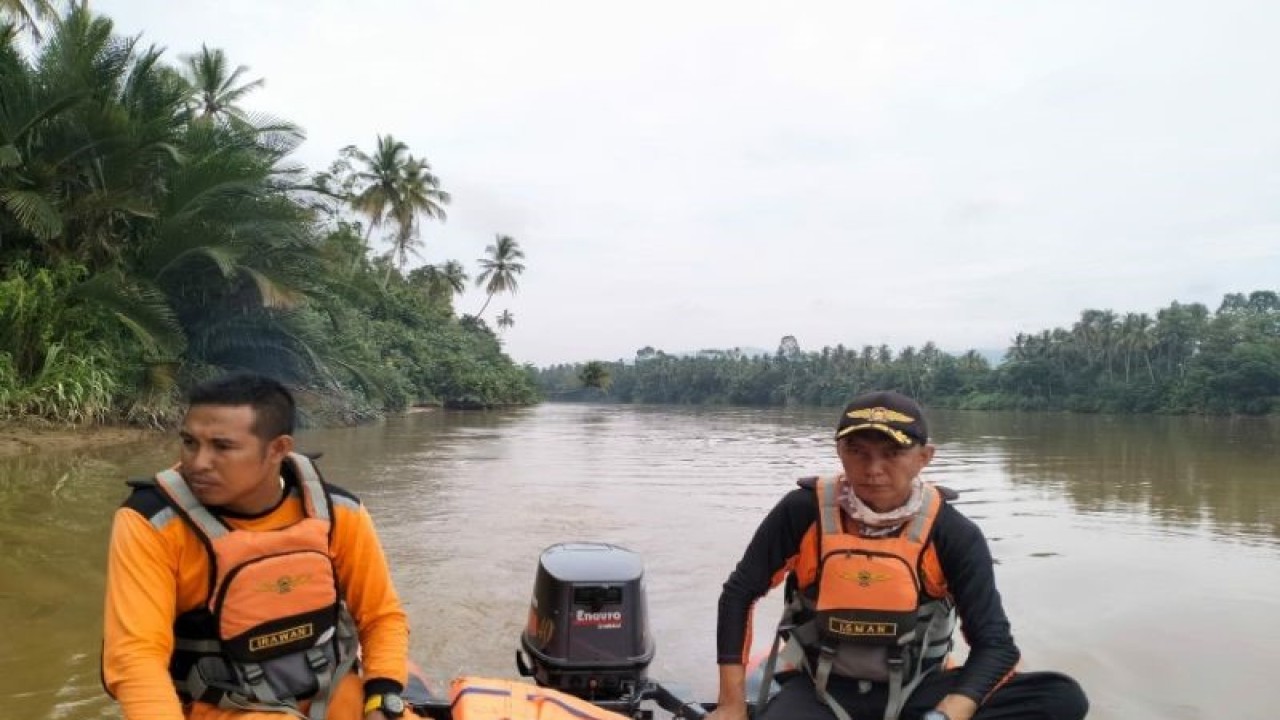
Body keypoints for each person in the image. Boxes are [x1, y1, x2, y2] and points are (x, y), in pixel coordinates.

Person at [707, 390, 1088, 720]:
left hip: (920, 686)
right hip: (820, 689)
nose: (873, 469)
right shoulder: (802, 512)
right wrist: (731, 703)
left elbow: (996, 645)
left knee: (1061, 697)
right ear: (839, 451)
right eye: (857, 452)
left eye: (892, 453)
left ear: (925, 457)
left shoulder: (952, 533)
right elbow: (740, 593)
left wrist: (946, 712)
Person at [102, 373, 412, 720]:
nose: (198, 462)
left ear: (278, 449)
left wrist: (383, 693)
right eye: (189, 442)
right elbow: (136, 656)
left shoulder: (340, 512)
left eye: (222, 447)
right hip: (226, 706)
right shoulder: (152, 522)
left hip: (334, 692)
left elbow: (381, 617)